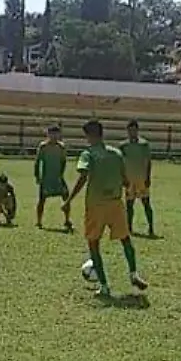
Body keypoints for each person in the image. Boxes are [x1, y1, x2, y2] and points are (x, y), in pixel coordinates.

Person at [62, 120, 149, 298]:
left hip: (96, 205)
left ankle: (104, 286)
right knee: (125, 239)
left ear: (88, 136)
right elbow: (125, 180)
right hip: (116, 203)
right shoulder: (116, 153)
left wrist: (69, 200)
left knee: (94, 244)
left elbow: (83, 176)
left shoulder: (88, 154)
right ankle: (133, 274)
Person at [119, 119, 155, 237]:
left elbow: (148, 162)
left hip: (141, 179)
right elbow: (120, 163)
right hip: (129, 180)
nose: (132, 132)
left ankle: (151, 228)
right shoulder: (123, 145)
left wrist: (148, 177)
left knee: (146, 204)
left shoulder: (144, 144)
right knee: (129, 205)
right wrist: (123, 178)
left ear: (137, 130)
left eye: (134, 130)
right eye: (130, 130)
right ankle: (129, 228)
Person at [34, 125, 72, 231]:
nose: (54, 136)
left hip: (58, 178)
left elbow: (63, 161)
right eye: (51, 134)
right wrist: (37, 176)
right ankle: (39, 221)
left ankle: (67, 220)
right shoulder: (43, 146)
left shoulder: (61, 147)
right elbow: (38, 162)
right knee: (42, 200)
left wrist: (61, 174)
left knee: (66, 197)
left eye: (56, 134)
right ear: (48, 134)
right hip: (46, 178)